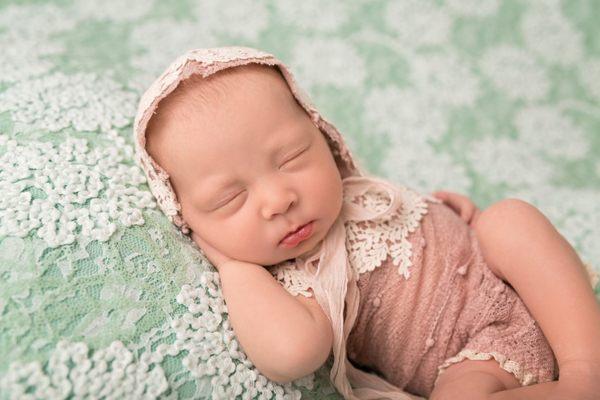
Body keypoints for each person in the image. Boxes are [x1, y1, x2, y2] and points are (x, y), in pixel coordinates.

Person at [133, 46, 600, 400]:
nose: (280, 199)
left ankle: (586, 371)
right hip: (480, 362)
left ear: (327, 139)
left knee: (509, 219)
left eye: (294, 157)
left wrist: (465, 224)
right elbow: (290, 353)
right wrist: (235, 269)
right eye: (231, 199)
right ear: (188, 222)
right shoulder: (298, 281)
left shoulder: (360, 194)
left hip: (537, 297)